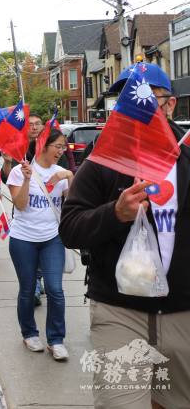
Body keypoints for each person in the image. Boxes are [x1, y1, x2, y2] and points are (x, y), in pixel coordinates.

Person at [60, 62, 189, 408]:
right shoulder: (103, 158)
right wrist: (114, 214)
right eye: (125, 103)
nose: (133, 110)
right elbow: (70, 227)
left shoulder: (188, 153)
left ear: (170, 104)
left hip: (184, 311)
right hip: (120, 310)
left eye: (144, 100)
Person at [7, 128, 73, 361]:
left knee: (55, 289)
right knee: (27, 289)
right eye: (58, 146)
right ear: (44, 146)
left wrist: (69, 177)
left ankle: (56, 339)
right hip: (23, 239)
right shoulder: (19, 171)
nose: (61, 151)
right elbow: (21, 205)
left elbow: (75, 203)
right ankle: (29, 333)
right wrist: (26, 179)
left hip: (52, 238)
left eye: (64, 147)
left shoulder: (61, 172)